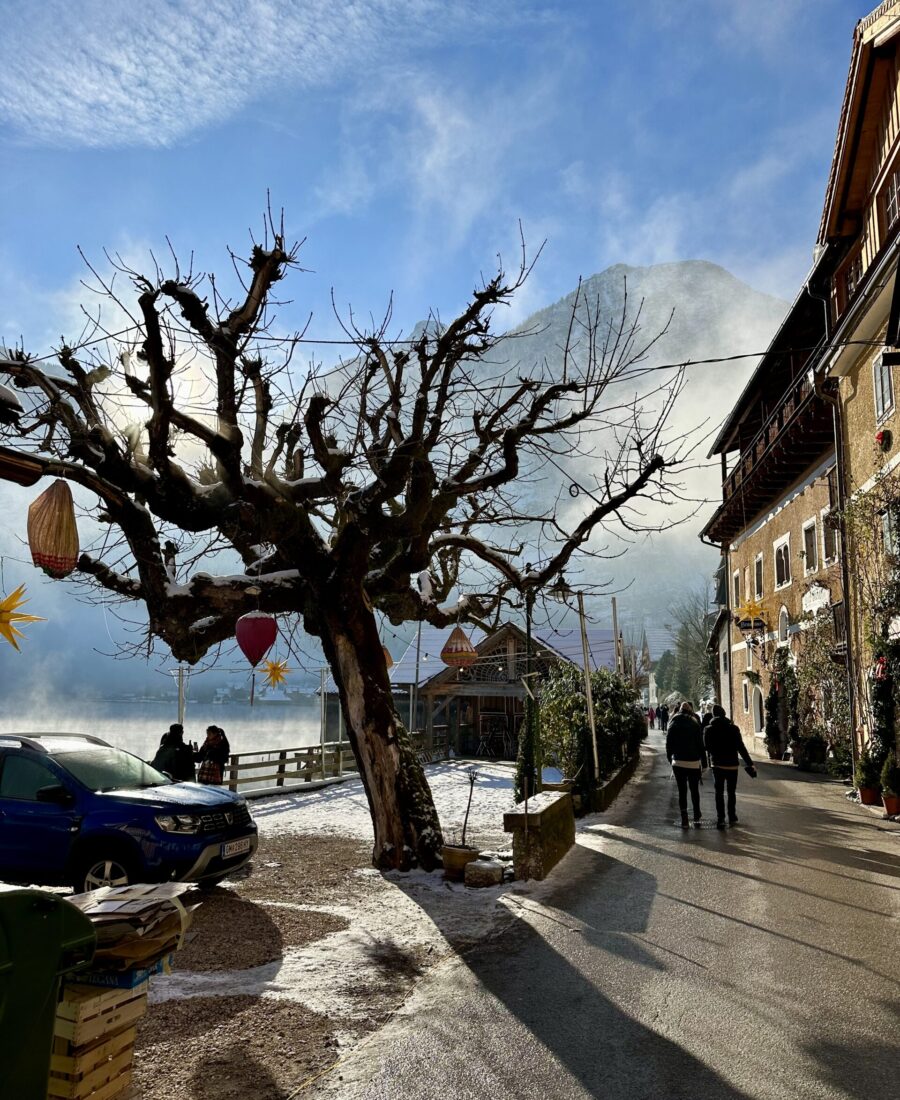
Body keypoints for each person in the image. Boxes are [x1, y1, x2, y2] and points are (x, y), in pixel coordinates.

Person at [704, 704, 756, 828]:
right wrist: (750, 763)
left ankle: (721, 819)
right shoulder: (734, 729)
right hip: (732, 765)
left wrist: (711, 757)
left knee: (719, 792)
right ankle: (732, 816)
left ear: (713, 715)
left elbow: (707, 747)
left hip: (717, 765)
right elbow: (741, 748)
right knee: (731, 792)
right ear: (724, 714)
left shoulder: (709, 729)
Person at [666, 701, 708, 828]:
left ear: (679, 710)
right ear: (690, 711)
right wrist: (704, 763)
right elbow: (700, 745)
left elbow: (669, 744)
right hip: (693, 762)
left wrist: (670, 759)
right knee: (694, 790)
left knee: (682, 791)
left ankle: (684, 819)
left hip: (678, 762)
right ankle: (696, 814)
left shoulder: (672, 722)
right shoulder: (694, 723)